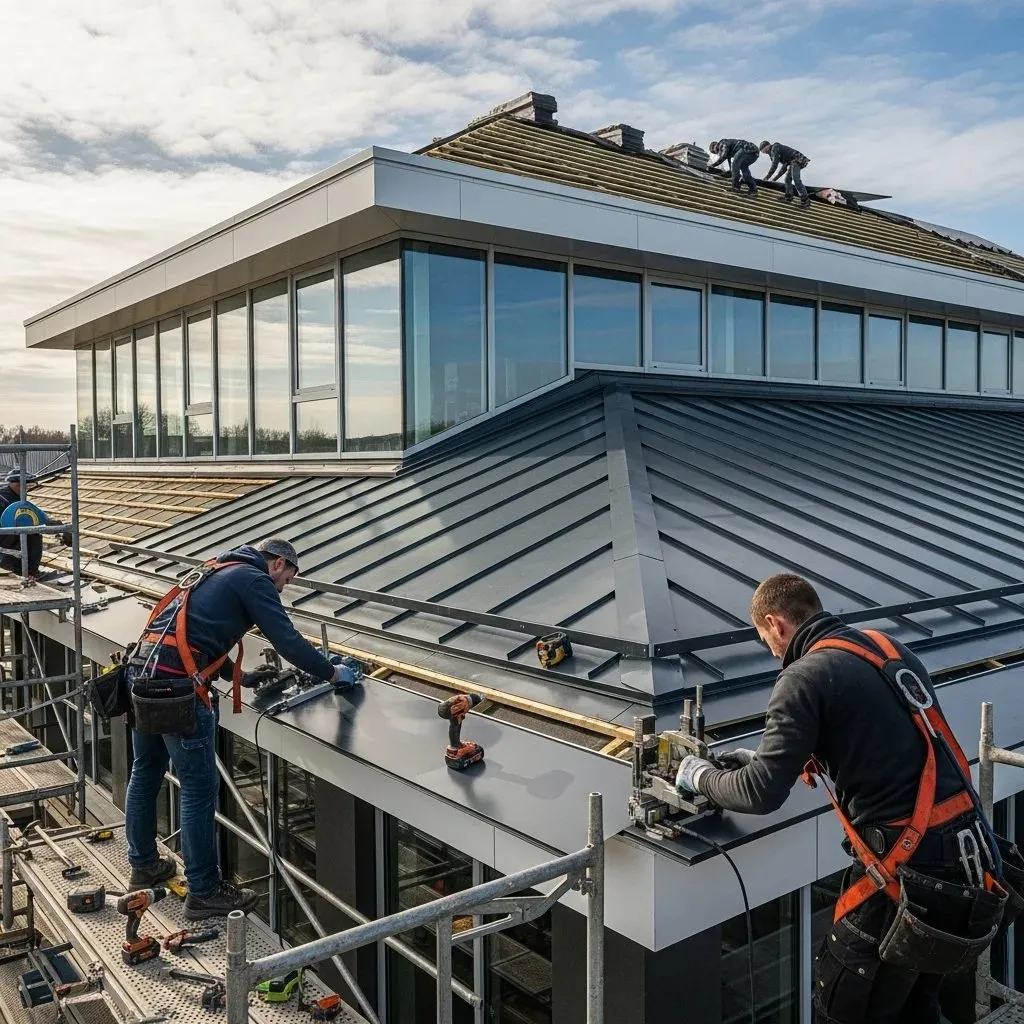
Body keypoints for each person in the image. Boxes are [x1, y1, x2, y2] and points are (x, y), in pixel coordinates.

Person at [676, 573, 1006, 1024]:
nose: (771, 650)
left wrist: (700, 776)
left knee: (841, 1007)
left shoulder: (802, 676)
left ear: (775, 624)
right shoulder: (884, 648)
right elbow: (883, 742)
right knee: (913, 1006)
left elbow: (760, 792)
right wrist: (771, 757)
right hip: (969, 858)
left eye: (765, 639)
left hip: (908, 870)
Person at [124, 537, 358, 920]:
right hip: (178, 690)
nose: (283, 588)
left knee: (145, 771)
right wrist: (333, 673)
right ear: (279, 564)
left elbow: (195, 636)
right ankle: (204, 891)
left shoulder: (215, 570)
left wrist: (242, 676)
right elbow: (287, 641)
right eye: (288, 579)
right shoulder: (254, 579)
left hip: (143, 676)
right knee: (199, 788)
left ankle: (144, 864)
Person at [0, 471, 70, 578]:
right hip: (5, 540)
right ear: (19, 486)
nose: (27, 490)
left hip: (5, 539)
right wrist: (62, 528)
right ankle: (29, 573)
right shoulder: (11, 501)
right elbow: (39, 518)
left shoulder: (6, 495)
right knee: (33, 533)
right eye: (26, 487)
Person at [760, 140, 811, 209]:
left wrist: (766, 177)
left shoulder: (775, 148)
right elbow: (784, 168)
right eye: (764, 152)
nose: (765, 152)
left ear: (767, 146)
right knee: (787, 179)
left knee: (796, 179)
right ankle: (788, 197)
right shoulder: (775, 152)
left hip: (798, 159)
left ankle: (805, 200)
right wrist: (775, 179)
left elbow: (774, 165)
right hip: (792, 162)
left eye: (764, 150)